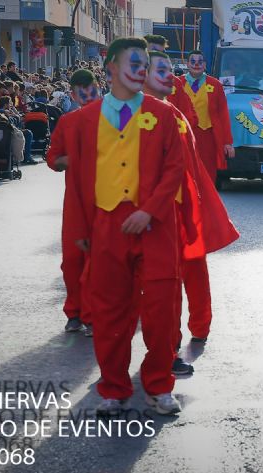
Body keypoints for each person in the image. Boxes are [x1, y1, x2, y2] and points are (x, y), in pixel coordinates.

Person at [59, 37, 188, 416]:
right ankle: (113, 389)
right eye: (134, 62)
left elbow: (174, 169)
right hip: (107, 225)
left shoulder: (164, 115)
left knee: (163, 311)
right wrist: (83, 228)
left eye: (145, 63)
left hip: (155, 225)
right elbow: (79, 179)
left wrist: (149, 210)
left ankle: (159, 385)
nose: (142, 70)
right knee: (110, 312)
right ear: (110, 68)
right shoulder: (82, 121)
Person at [143, 50, 240, 374]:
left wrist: (200, 205)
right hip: (152, 211)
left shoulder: (210, 89)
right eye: (161, 69)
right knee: (160, 280)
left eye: (172, 68)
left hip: (186, 197)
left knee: (193, 267)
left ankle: (198, 328)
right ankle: (163, 348)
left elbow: (220, 119)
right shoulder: (132, 115)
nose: (171, 74)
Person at [44, 69, 100, 336]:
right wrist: (77, 158)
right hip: (77, 202)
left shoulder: (114, 119)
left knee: (99, 260)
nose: (87, 96)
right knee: (73, 259)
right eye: (81, 92)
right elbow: (53, 159)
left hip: (108, 200)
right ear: (73, 95)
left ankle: (92, 314)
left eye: (91, 90)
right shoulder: (67, 122)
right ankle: (75, 312)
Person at [170, 50, 235, 187]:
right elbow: (170, 110)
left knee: (207, 172)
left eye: (200, 62)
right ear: (187, 64)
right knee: (183, 169)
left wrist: (227, 142)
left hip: (207, 136)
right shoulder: (178, 83)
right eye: (193, 61)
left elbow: (223, 114)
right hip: (183, 135)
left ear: (205, 65)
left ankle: (206, 201)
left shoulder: (215, 85)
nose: (196, 64)